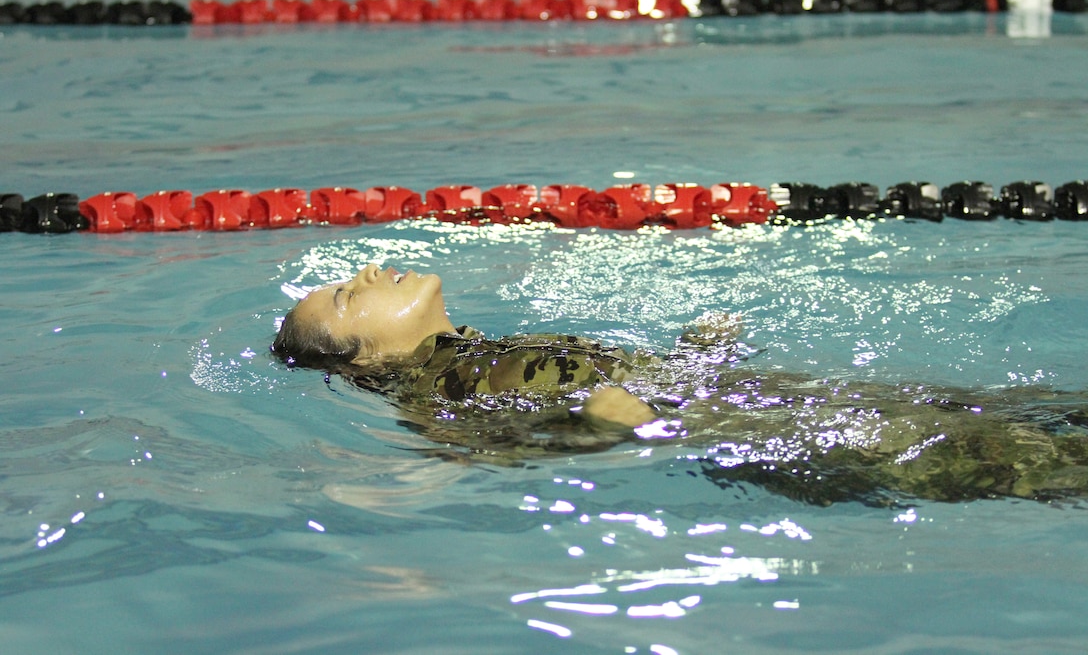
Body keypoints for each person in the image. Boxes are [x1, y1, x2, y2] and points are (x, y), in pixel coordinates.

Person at [273, 264, 1088, 505]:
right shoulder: (432, 391)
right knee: (1030, 463)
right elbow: (486, 455)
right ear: (366, 358)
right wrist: (596, 430)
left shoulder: (474, 348)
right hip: (753, 434)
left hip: (757, 396)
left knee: (1037, 415)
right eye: (351, 294)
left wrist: (694, 355)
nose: (371, 269)